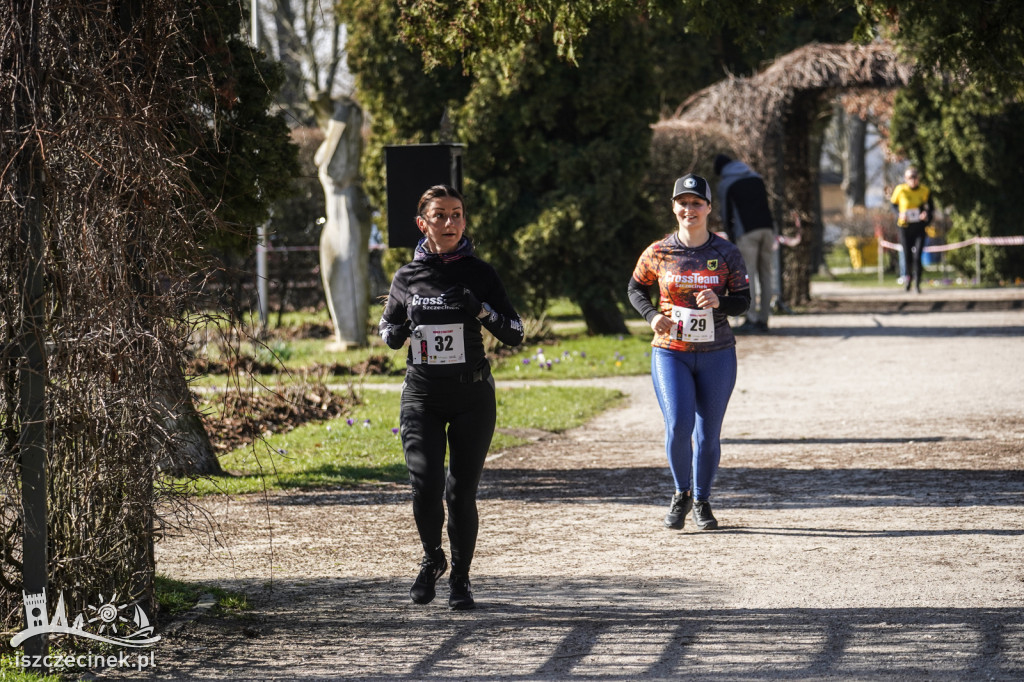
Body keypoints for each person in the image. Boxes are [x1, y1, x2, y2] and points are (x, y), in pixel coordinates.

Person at [379, 185, 524, 610]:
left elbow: (515, 333)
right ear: (422, 223)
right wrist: (400, 330)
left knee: (460, 493)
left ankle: (461, 577)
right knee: (424, 485)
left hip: (472, 396)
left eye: (456, 214)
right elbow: (386, 332)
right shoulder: (408, 276)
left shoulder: (481, 273)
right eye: (439, 215)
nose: (449, 223)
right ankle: (432, 559)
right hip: (422, 395)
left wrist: (481, 310)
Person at [627, 174, 751, 531]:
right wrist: (651, 316)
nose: (689, 209)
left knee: (707, 434)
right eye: (682, 202)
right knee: (679, 425)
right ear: (673, 208)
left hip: (717, 353)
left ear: (709, 208)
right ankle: (681, 493)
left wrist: (720, 301)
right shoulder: (658, 251)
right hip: (671, 352)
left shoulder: (726, 253)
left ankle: (702, 500)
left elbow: (744, 301)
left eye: (696, 203)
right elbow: (635, 288)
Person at [713, 154, 775, 333]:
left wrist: (731, 238)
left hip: (746, 232)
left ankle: (751, 318)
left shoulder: (727, 184)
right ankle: (764, 319)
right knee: (766, 275)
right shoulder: (756, 178)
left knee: (748, 276)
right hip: (767, 229)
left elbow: (726, 213)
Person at [890, 166, 933, 293]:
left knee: (917, 255)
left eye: (915, 177)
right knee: (907, 255)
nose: (913, 180)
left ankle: (918, 284)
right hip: (905, 226)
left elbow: (930, 208)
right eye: (910, 177)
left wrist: (926, 215)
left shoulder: (924, 190)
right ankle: (908, 279)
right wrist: (899, 214)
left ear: (918, 178)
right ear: (905, 178)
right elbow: (893, 205)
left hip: (919, 227)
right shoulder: (900, 190)